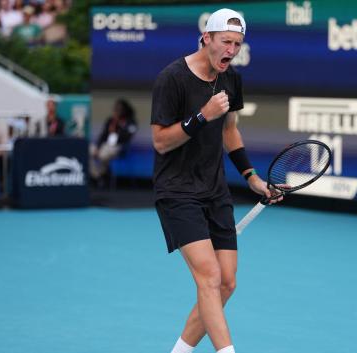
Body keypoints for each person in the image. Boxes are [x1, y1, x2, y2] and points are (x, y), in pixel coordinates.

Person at [151, 9, 281, 353]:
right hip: (177, 191)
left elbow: (229, 130)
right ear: (207, 38)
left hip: (214, 190)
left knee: (226, 283)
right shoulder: (172, 78)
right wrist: (200, 117)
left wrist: (250, 176)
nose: (231, 50)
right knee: (208, 278)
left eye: (237, 44)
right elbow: (161, 141)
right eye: (226, 41)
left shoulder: (230, 79)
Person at [89, 98, 137, 181]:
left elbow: (127, 137)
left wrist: (118, 129)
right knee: (88, 150)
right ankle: (96, 175)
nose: (117, 111)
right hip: (104, 146)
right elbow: (103, 135)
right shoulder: (110, 121)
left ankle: (103, 175)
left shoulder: (130, 122)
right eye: (116, 109)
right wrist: (97, 147)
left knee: (103, 155)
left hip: (118, 147)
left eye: (119, 109)